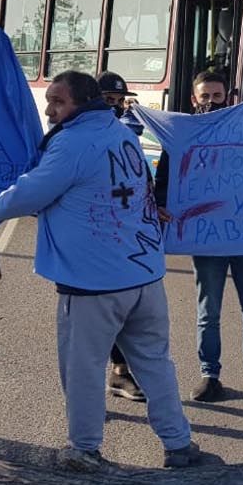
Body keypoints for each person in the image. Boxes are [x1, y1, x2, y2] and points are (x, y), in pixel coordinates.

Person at [0, 70, 199, 470]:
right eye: (49, 101)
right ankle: (179, 444)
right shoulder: (122, 133)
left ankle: (84, 451)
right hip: (143, 273)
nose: (49, 110)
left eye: (58, 102)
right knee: (155, 364)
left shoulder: (72, 143)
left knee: (83, 371)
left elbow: (29, 194)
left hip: (93, 282)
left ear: (82, 103)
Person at [153, 70, 243, 403]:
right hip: (207, 238)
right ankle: (210, 376)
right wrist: (162, 203)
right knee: (208, 310)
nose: (211, 102)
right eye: (205, 96)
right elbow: (165, 179)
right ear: (193, 99)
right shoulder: (181, 137)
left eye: (217, 96)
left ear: (229, 97)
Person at [96, 70, 146, 401]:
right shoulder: (74, 133)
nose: (113, 105)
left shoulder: (127, 131)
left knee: (124, 309)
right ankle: (84, 400)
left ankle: (120, 371)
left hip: (122, 235)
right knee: (90, 320)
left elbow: (138, 173)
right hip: (89, 238)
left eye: (118, 100)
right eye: (106, 99)